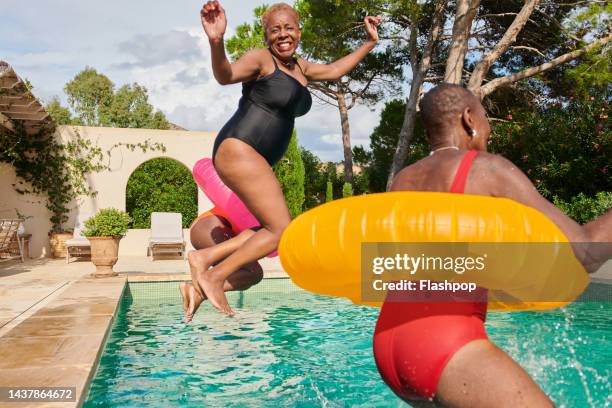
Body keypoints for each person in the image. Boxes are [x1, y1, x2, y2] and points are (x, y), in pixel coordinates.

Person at [373, 83, 612, 407]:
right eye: (486, 119)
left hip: (389, 340)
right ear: (469, 118)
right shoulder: (486, 169)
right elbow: (583, 253)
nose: (489, 131)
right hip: (442, 341)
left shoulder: (404, 179)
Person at [190, 1, 382, 315]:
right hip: (239, 147)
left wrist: (370, 43)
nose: (282, 34)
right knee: (280, 230)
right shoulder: (260, 59)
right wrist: (216, 42)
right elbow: (225, 75)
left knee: (271, 229)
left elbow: (334, 70)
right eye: (275, 29)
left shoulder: (302, 68)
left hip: (251, 156)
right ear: (266, 36)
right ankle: (215, 275)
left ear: (299, 32)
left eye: (288, 28)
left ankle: (204, 262)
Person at [180, 210, 263, 323]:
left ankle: (198, 291)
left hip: (203, 227)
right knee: (254, 272)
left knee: (248, 277)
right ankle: (202, 259)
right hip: (212, 226)